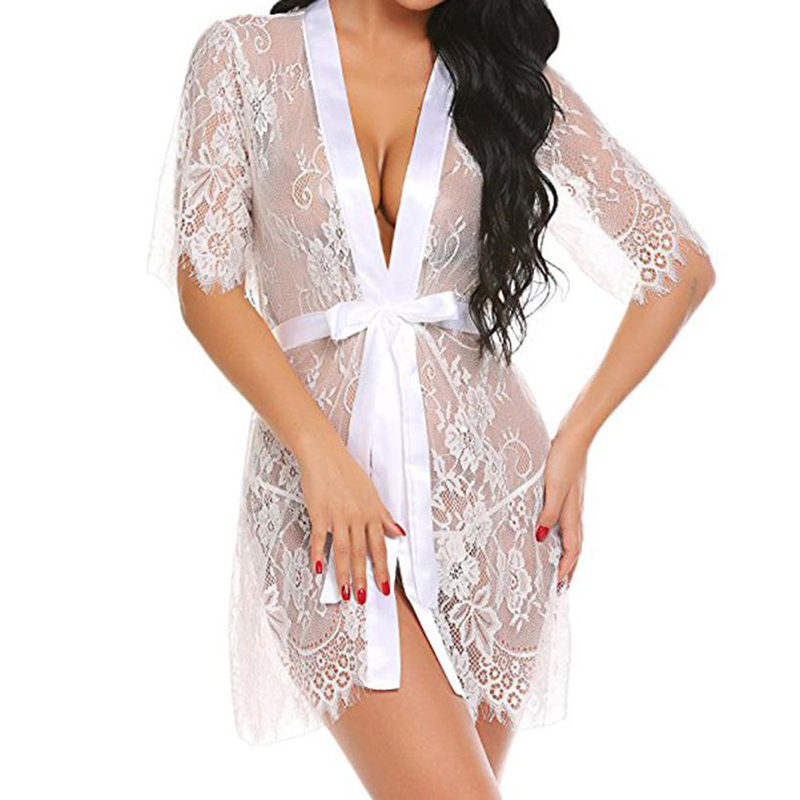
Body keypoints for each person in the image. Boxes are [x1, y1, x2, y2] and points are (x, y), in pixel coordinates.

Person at [146, 0, 715, 795]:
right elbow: (206, 287)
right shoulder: (241, 58)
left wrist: (576, 437)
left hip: (496, 508)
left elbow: (679, 268)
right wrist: (318, 454)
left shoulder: (499, 80)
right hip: (328, 509)